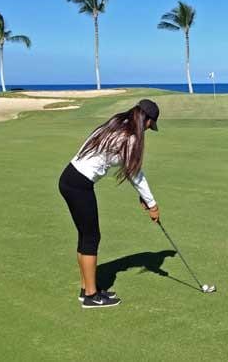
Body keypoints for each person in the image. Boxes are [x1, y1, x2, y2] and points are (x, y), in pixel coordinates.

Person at [58, 99, 161, 308]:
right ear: (146, 120)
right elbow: (136, 175)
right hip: (79, 184)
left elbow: (130, 171)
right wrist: (153, 205)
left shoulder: (115, 124)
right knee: (91, 237)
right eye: (150, 125)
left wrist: (144, 197)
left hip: (70, 178)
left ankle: (87, 288)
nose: (149, 129)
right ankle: (90, 295)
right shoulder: (129, 137)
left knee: (86, 236)